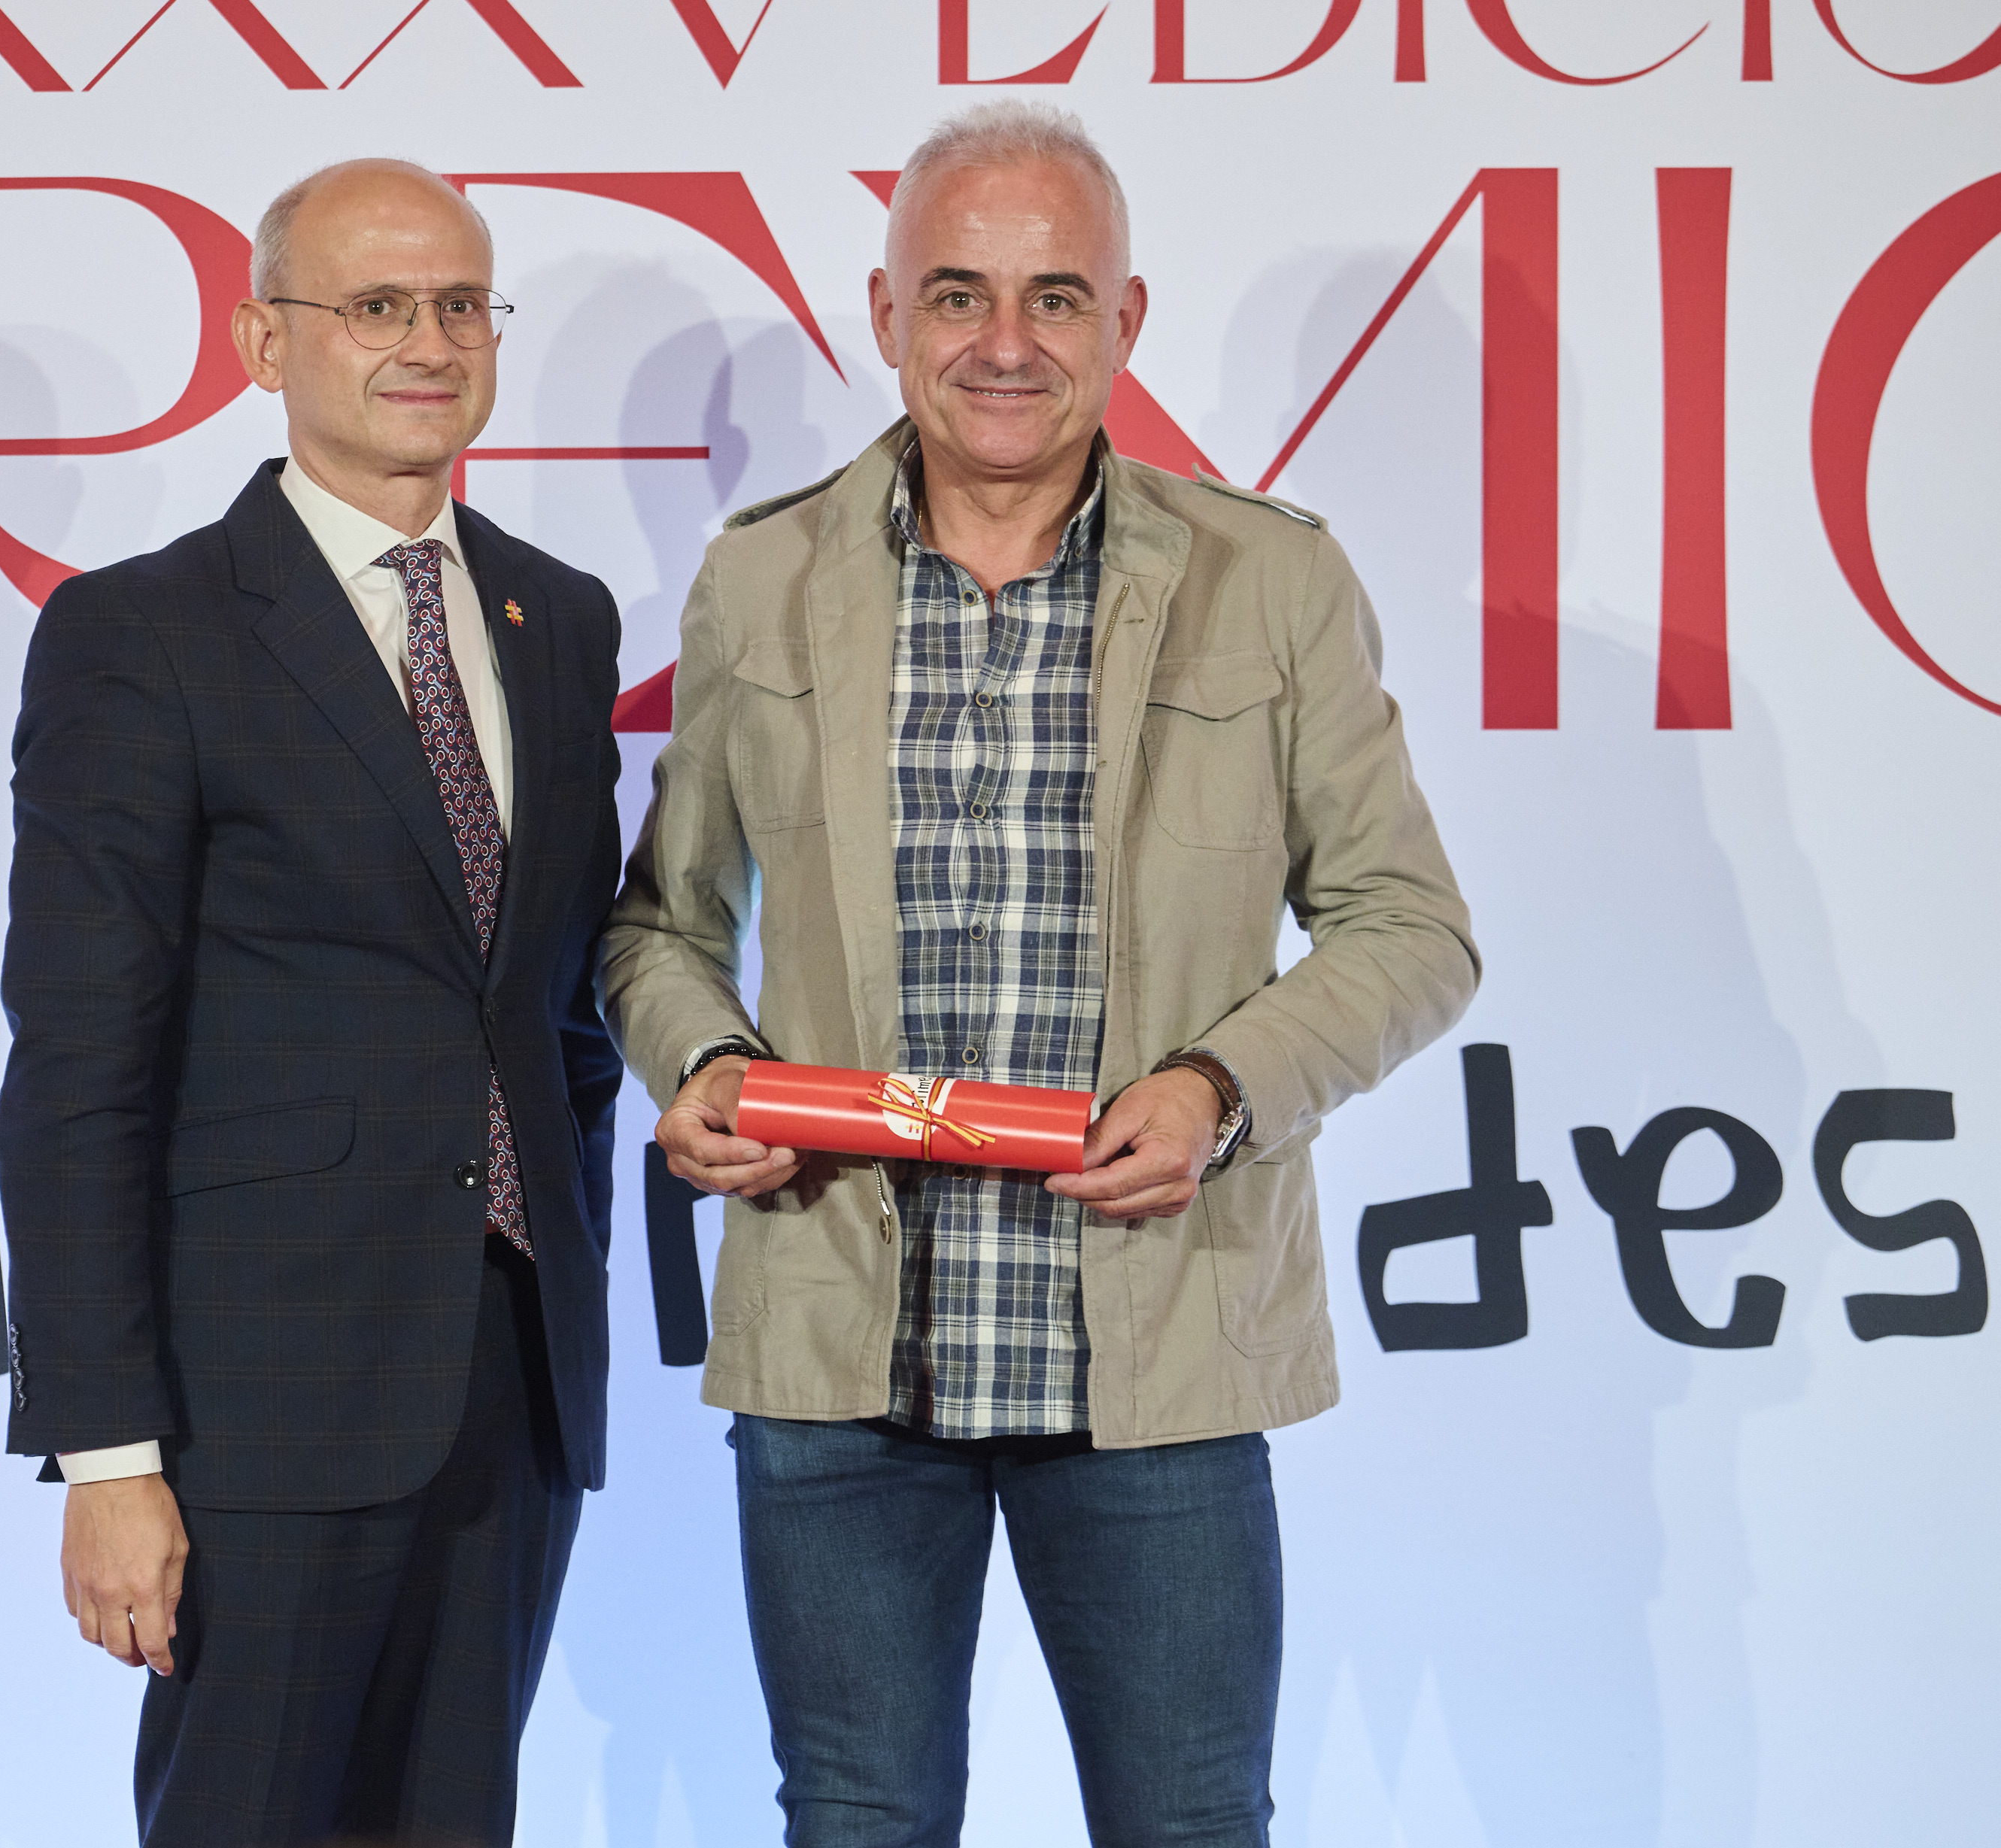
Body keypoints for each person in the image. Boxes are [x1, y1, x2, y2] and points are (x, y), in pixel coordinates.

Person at [599, 102, 1478, 1846]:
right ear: (886, 312)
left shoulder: (1270, 580)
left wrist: (1221, 1088)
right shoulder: (759, 577)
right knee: (855, 1819)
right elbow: (657, 925)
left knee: (1187, 1822)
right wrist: (700, 1064)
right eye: (958, 293)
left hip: (1157, 1355)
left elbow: (1409, 924)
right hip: (841, 1349)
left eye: (1055, 296)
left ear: (1124, 320)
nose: (1005, 342)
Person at [0, 157, 624, 1846]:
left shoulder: (557, 618)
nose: (428, 342)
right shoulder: (144, 632)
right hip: (252, 1410)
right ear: (264, 341)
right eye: (377, 305)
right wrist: (107, 1451)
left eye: (461, 304)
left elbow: (560, 1016)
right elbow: (79, 1066)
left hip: (510, 1387)